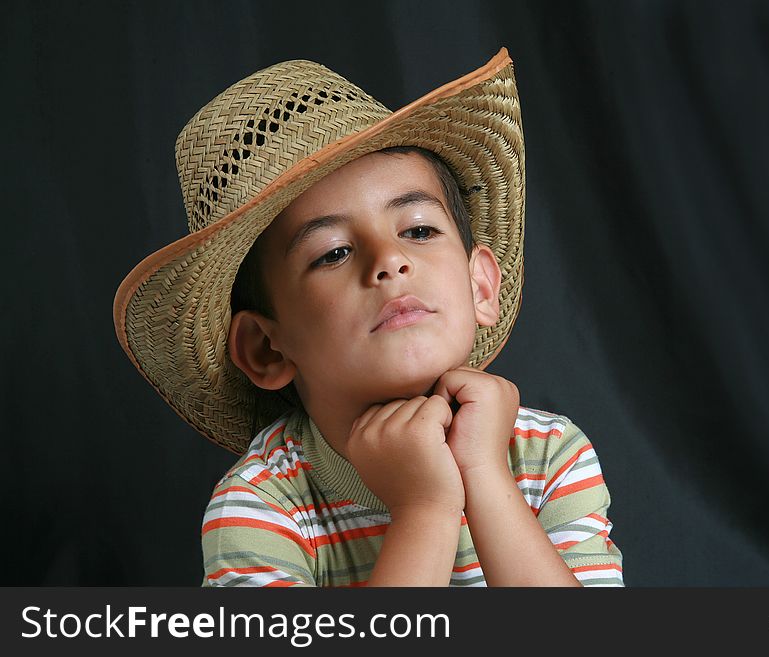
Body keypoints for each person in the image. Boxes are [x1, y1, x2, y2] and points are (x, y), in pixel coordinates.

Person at [114, 48, 623, 587]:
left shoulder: (549, 456)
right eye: (332, 252)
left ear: (480, 286)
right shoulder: (262, 504)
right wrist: (424, 509)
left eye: (419, 230)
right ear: (266, 347)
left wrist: (484, 474)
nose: (389, 260)